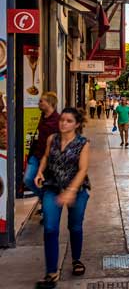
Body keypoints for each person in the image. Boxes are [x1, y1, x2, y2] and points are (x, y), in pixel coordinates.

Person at [34, 108, 90, 288]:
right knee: (50, 228)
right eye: (62, 120)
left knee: (74, 226)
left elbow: (83, 169)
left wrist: (71, 191)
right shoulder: (53, 139)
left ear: (77, 124)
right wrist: (40, 171)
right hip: (52, 187)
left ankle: (76, 259)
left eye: (68, 121)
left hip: (77, 190)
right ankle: (51, 273)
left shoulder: (83, 143)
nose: (63, 123)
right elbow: (45, 157)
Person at [24, 92, 60, 201]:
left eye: (41, 101)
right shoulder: (42, 116)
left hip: (49, 158)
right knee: (28, 179)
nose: (38, 103)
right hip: (36, 154)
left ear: (49, 103)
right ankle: (44, 199)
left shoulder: (58, 121)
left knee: (47, 183)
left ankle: (46, 203)